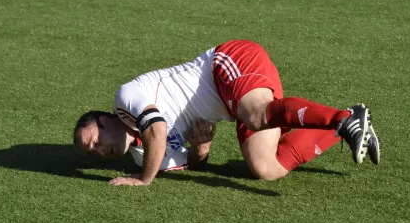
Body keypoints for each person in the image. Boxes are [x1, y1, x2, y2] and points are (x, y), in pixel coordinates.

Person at [73, 39, 381, 187]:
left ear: (104, 120)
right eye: (94, 153)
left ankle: (342, 121)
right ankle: (349, 118)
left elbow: (156, 129)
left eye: (94, 141)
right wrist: (201, 148)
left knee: (256, 115)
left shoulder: (126, 99)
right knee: (266, 169)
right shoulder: (143, 156)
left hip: (228, 64)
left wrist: (144, 180)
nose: (99, 151)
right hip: (237, 107)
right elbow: (195, 165)